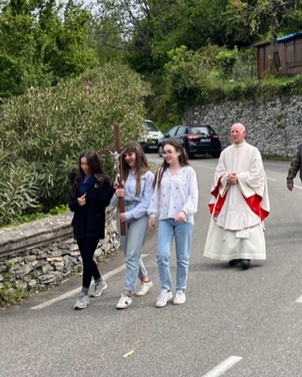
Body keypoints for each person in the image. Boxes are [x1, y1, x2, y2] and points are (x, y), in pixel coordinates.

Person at [205, 123, 270, 269]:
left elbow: (257, 174)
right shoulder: (225, 153)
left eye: (237, 131)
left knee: (247, 222)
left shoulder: (253, 152)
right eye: (232, 131)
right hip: (230, 195)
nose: (234, 134)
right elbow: (218, 172)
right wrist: (226, 177)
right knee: (230, 223)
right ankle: (232, 255)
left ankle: (246, 254)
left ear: (244, 133)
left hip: (246, 195)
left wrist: (239, 178)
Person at [148, 140, 198, 307]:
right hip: (166, 219)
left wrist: (185, 211)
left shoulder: (189, 172)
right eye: (164, 152)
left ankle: (180, 289)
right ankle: (165, 289)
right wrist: (152, 214)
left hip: (184, 220)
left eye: (169, 152)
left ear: (178, 152)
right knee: (162, 254)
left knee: (182, 257)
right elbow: (156, 193)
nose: (166, 155)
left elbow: (193, 196)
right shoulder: (162, 171)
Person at [68, 150, 115, 310]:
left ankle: (83, 295)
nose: (84, 167)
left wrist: (112, 189)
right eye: (82, 164)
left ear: (93, 163)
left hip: (94, 224)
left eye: (87, 164)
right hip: (80, 224)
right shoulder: (78, 180)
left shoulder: (102, 181)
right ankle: (99, 281)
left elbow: (104, 203)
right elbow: (71, 204)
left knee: (87, 257)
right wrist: (77, 203)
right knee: (85, 257)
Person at [111, 142, 154, 309]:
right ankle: (145, 279)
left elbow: (146, 202)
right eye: (126, 155)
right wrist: (117, 194)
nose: (128, 158)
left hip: (138, 216)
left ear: (138, 154)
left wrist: (129, 214)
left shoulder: (148, 176)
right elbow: (113, 202)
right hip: (121, 214)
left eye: (131, 154)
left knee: (132, 254)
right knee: (128, 252)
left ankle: (127, 293)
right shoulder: (121, 175)